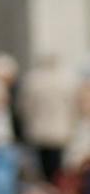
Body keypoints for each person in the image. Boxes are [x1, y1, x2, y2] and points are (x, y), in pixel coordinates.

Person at [17, 52, 74, 184]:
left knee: (41, 171)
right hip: (60, 130)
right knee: (57, 169)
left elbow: (23, 107)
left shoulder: (31, 80)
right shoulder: (66, 80)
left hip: (38, 130)